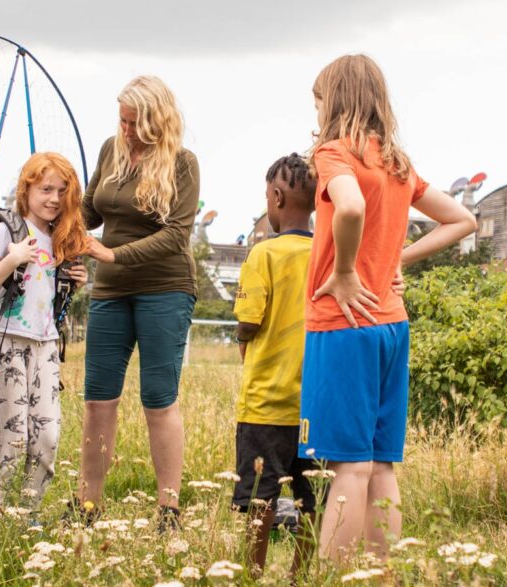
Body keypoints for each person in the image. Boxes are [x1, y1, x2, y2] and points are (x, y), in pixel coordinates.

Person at [298, 54, 477, 562]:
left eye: (317, 101)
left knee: (347, 467)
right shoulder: (396, 164)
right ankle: (381, 573)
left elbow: (350, 205)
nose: (314, 112)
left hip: (344, 325)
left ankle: (334, 576)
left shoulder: (334, 153)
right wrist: (398, 255)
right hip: (392, 326)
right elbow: (463, 219)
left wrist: (348, 270)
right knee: (380, 466)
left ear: (334, 101)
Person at [77, 76, 200, 527]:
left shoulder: (183, 164)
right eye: (122, 121)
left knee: (158, 398)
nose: (126, 130)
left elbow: (176, 235)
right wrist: (53, 199)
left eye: (134, 123)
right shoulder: (112, 148)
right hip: (111, 290)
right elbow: (91, 209)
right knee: (98, 399)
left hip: (165, 288)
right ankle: (87, 503)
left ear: (157, 120)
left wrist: (111, 253)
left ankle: (168, 507)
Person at [0, 152, 88, 513]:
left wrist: (73, 284)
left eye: (61, 191)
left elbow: (45, 296)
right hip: (7, 341)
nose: (53, 198)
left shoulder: (60, 237)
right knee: (12, 438)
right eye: (46, 189)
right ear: (27, 189)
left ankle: (28, 512)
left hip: (46, 345)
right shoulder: (9, 229)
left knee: (48, 436)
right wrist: (11, 259)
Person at [232, 153, 317, 580]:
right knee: (312, 498)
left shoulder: (263, 255)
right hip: (315, 405)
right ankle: (300, 575)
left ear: (277, 197)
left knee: (258, 500)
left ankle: (254, 573)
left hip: (266, 404)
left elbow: (249, 319)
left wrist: (242, 339)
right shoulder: (327, 253)